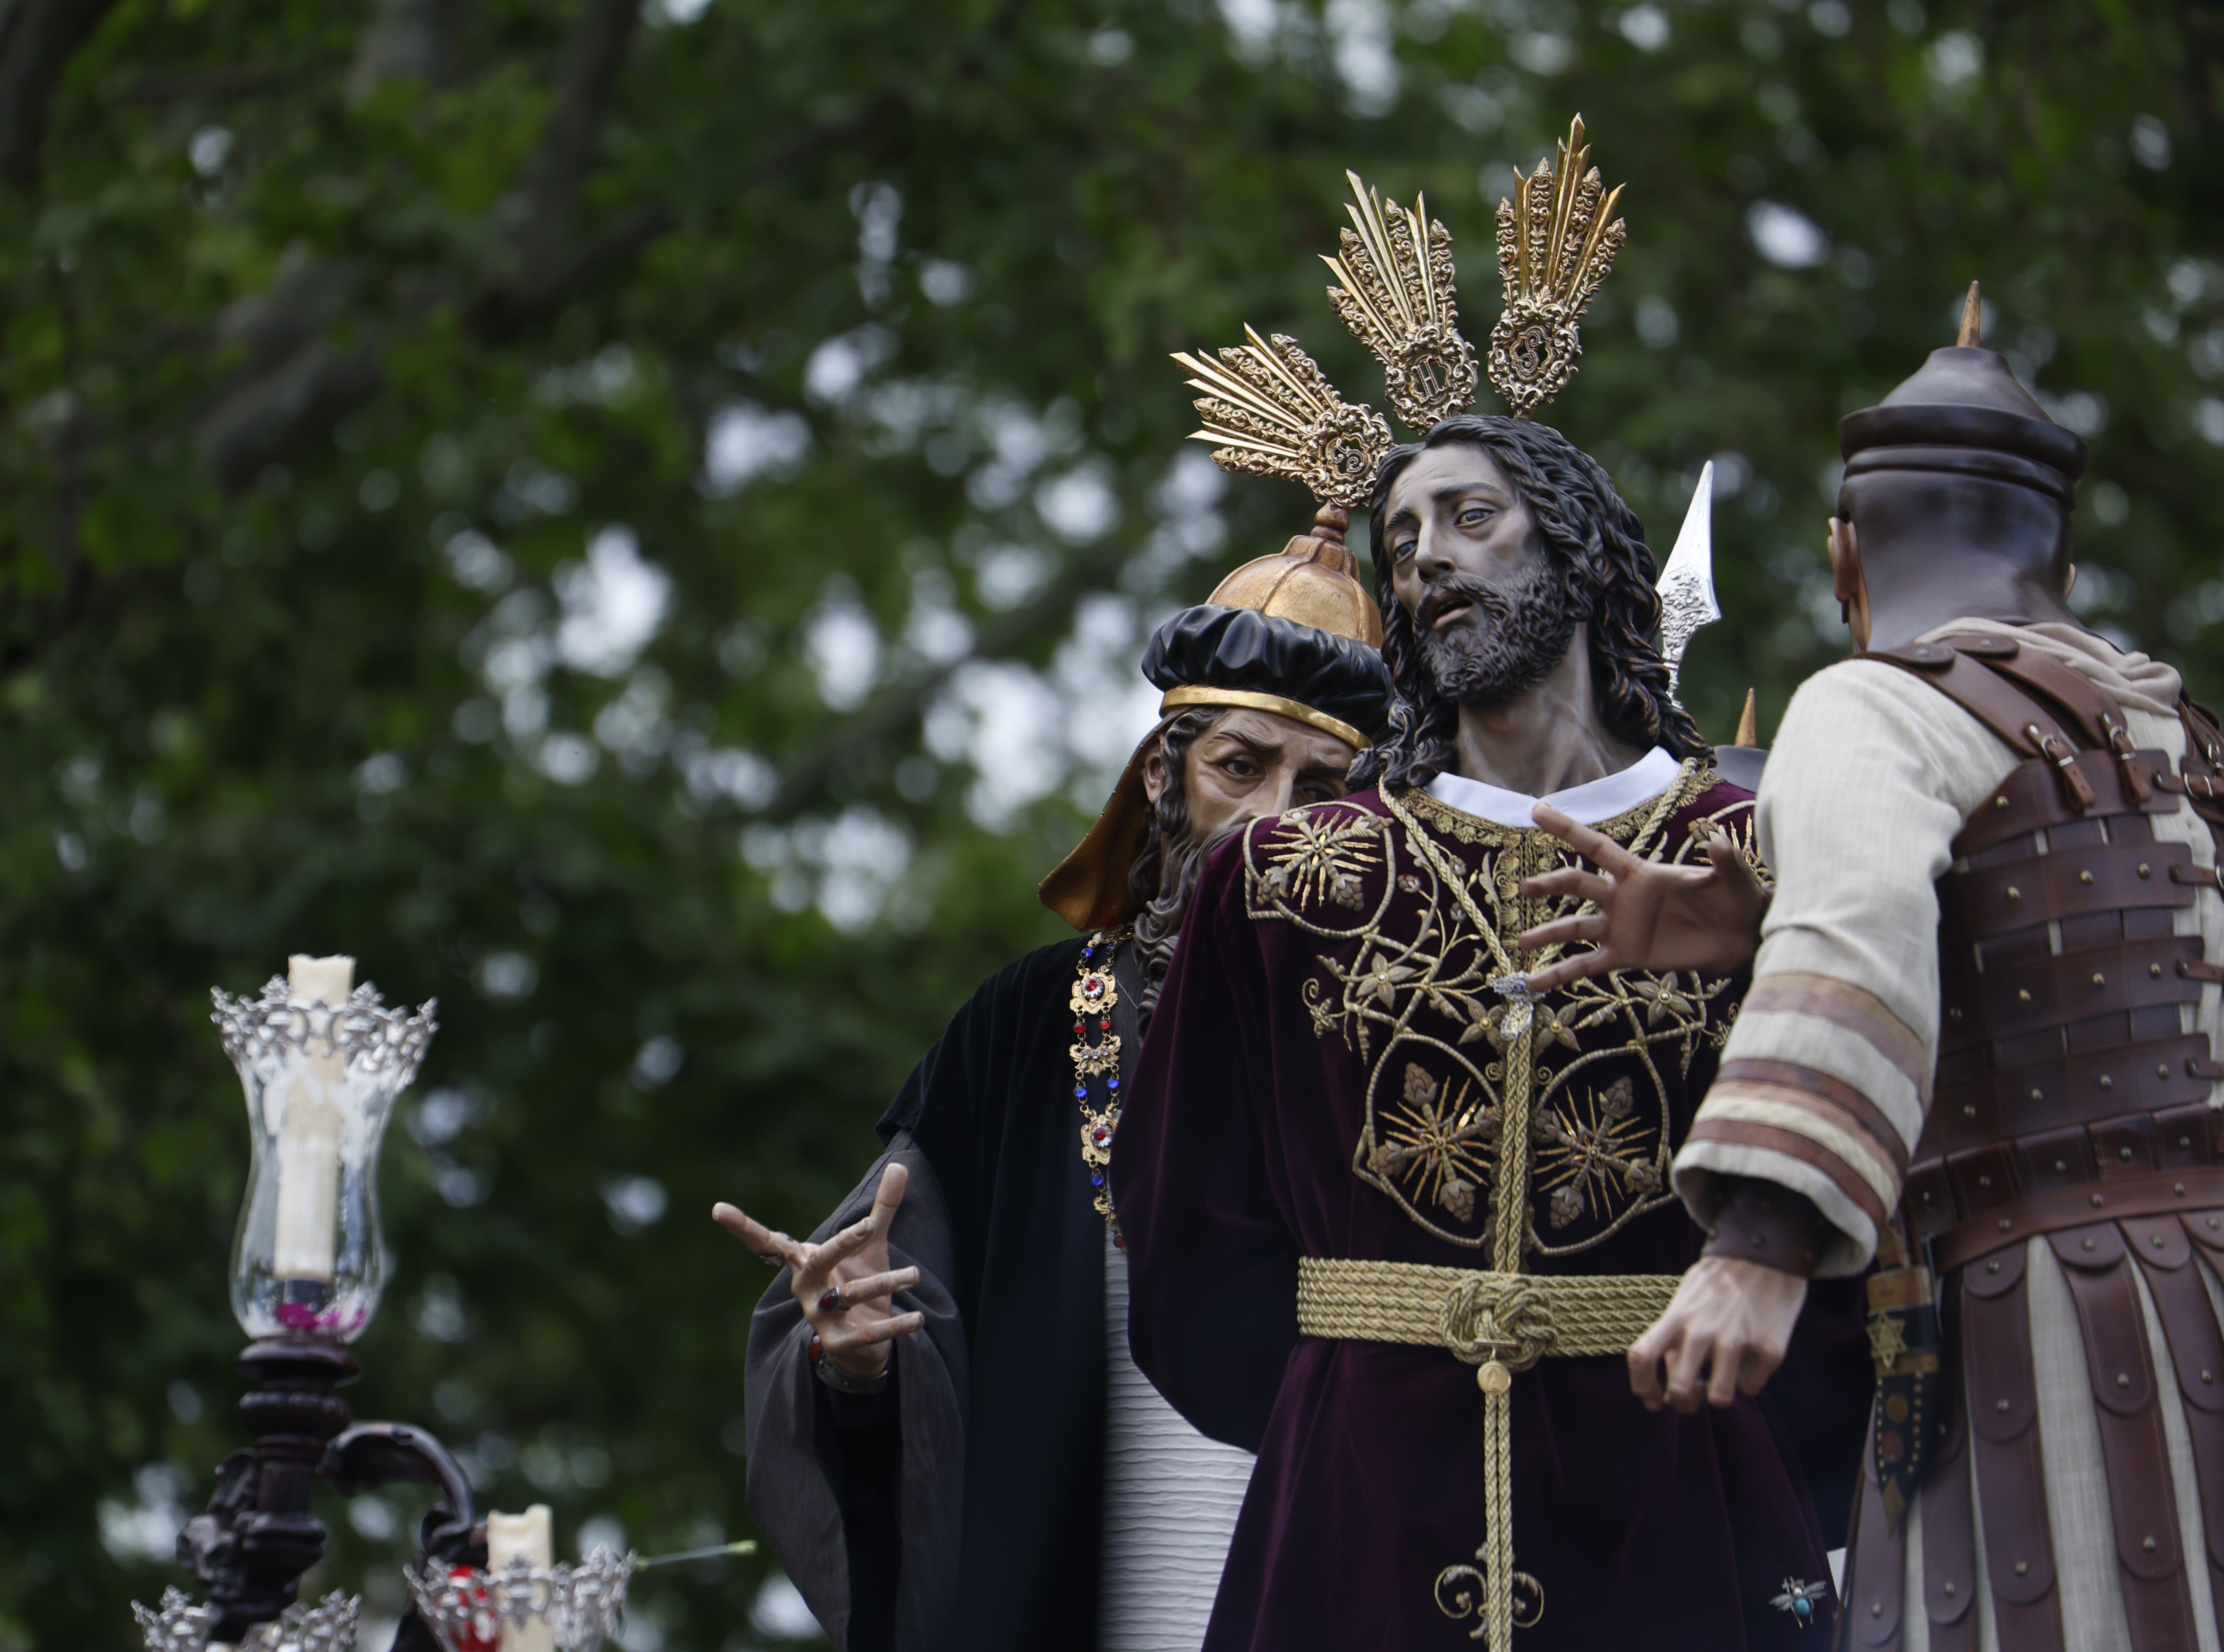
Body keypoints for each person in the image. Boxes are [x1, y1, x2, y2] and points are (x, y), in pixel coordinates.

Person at [1112, 130, 1864, 1652]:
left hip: (1685, 1484)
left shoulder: (1755, 847)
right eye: (1402, 544)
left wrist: (1761, 1454)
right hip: (1360, 1508)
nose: (1430, 563)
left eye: (1472, 519)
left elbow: (1864, 1159)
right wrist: (1350, 1410)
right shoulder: (1281, 878)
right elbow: (1189, 1226)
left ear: (1578, 554)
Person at [1600, 292, 2224, 1652]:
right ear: (2057, 562)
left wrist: (1759, 1242)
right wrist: (1749, 915)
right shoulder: (2183, 729)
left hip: (2056, 1318)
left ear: (1847, 552)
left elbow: (1860, 929)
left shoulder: (1875, 700)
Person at [710, 514, 1395, 1652]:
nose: (1276, 821)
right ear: (1165, 778)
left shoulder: (1425, 1046)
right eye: (1241, 765)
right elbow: (877, 1287)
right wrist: (861, 1357)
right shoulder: (1029, 1028)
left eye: (1323, 784)